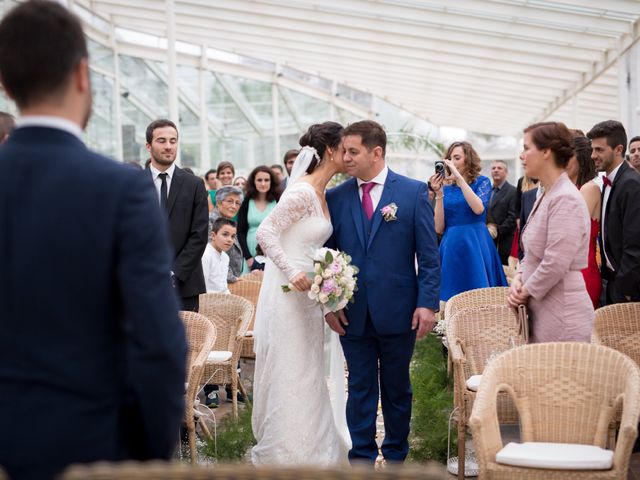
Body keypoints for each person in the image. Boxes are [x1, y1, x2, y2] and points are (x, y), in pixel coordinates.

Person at [0, 2, 186, 479]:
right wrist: (149, 455)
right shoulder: (119, 188)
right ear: (83, 74)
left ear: (5, 83)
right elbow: (160, 342)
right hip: (89, 439)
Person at [325, 120, 440, 464]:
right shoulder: (335, 196)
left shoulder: (413, 192)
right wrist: (329, 304)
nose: (344, 157)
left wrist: (427, 305)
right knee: (359, 389)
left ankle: (395, 458)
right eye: (344, 150)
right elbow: (326, 257)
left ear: (376, 152)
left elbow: (429, 257)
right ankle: (360, 458)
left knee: (396, 389)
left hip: (399, 310)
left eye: (352, 151)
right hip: (352, 313)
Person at [252, 121, 350, 465]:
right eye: (345, 148)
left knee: (309, 371)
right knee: (291, 370)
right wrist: (292, 271)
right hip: (289, 293)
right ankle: (288, 453)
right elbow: (266, 233)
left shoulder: (322, 193)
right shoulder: (302, 192)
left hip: (310, 297)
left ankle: (317, 446)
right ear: (329, 151)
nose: (348, 154)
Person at [508, 122, 593, 342]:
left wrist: (523, 291)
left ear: (546, 152)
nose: (521, 156)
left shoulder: (565, 198)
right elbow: (533, 253)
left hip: (562, 314)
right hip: (543, 308)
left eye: (527, 148)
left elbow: (556, 262)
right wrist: (518, 277)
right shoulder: (548, 194)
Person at [430, 141, 507, 302]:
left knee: (481, 294)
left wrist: (459, 179)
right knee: (450, 296)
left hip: (477, 244)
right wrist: (439, 193)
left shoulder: (482, 182)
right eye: (449, 158)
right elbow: (438, 227)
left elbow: (478, 208)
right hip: (451, 245)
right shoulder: (445, 186)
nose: (451, 162)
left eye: (456, 157)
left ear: (468, 160)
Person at [145, 119, 209, 312]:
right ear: (149, 146)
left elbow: (199, 234)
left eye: (173, 141)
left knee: (188, 342)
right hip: (143, 282)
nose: (168, 146)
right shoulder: (133, 184)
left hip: (184, 284)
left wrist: (175, 273)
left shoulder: (194, 184)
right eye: (162, 141)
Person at [587, 120, 640, 304]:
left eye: (599, 150)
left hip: (626, 290)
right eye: (593, 149)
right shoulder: (609, 182)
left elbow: (634, 243)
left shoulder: (631, 184)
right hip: (610, 283)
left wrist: (626, 289)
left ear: (618, 150)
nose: (593, 155)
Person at [566, 133, 601, 308]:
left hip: (582, 275)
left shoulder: (589, 189)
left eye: (567, 156)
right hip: (563, 273)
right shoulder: (566, 190)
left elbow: (570, 231)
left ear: (581, 159)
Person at [238, 166, 279, 271]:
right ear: (253, 182)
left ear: (271, 182)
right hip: (250, 250)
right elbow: (240, 232)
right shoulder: (247, 201)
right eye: (259, 180)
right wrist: (248, 257)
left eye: (266, 180)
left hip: (272, 251)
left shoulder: (278, 201)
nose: (263, 183)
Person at [209, 185, 245, 282]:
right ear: (218, 202)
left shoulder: (228, 222)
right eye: (229, 201)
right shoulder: (210, 222)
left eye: (237, 203)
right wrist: (231, 278)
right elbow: (213, 255)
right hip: (217, 283)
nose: (234, 206)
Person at [486, 160, 517, 265]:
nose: (496, 170)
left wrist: (495, 231)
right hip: (487, 242)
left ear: (506, 172)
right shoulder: (487, 191)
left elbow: (513, 217)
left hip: (504, 243)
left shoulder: (513, 191)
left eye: (499, 168)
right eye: (493, 168)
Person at [202, 217, 237, 294]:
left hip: (222, 301)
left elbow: (224, 288)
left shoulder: (225, 257)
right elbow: (202, 287)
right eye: (225, 234)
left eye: (233, 236)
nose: (229, 240)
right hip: (207, 301)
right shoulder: (205, 255)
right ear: (213, 235)